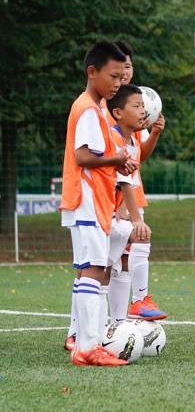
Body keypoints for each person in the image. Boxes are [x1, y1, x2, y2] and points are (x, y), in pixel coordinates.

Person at [61, 41, 135, 366]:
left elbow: (96, 155)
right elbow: (82, 156)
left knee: (86, 272)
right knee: (93, 270)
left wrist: (116, 162)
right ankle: (88, 348)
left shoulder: (98, 108)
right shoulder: (89, 108)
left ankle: (83, 342)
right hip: (87, 198)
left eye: (121, 77)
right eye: (113, 76)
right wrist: (116, 158)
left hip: (91, 199)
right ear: (92, 72)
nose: (118, 83)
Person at [108, 41, 168, 323]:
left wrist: (154, 133)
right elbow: (114, 157)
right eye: (122, 68)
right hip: (112, 190)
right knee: (105, 264)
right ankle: (88, 328)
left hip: (131, 186)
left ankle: (129, 311)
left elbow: (137, 156)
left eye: (129, 66)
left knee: (129, 252)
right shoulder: (110, 107)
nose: (127, 72)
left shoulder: (134, 105)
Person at [105, 85, 153, 325]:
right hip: (101, 212)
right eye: (136, 106)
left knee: (123, 259)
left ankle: (119, 323)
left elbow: (128, 182)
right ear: (118, 113)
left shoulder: (132, 140)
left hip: (116, 212)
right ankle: (83, 331)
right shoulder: (112, 137)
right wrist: (135, 218)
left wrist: (128, 211)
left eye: (143, 106)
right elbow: (121, 180)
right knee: (99, 269)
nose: (143, 111)